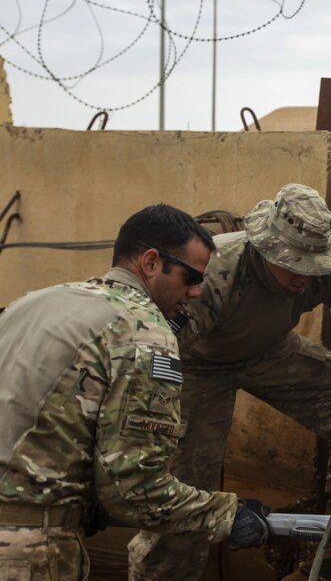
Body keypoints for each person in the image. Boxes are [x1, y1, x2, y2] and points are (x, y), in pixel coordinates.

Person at [128, 183, 331, 580]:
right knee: (186, 483)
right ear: (264, 249)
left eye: (312, 264)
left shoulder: (330, 273)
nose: (305, 275)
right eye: (294, 264)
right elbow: (157, 356)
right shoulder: (217, 273)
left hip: (271, 351)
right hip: (197, 365)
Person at [0, 204, 273, 580]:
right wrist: (228, 514)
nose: (196, 292)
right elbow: (132, 488)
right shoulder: (142, 330)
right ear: (150, 262)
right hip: (25, 551)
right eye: (190, 276)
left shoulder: (31, 303)